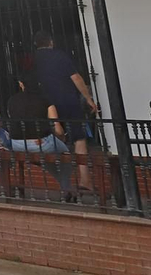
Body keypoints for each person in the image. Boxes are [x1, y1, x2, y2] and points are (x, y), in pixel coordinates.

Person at [31, 31, 100, 195]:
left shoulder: (34, 60)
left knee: (56, 139)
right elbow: (76, 78)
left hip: (46, 105)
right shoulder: (59, 55)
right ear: (51, 42)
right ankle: (84, 180)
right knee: (79, 138)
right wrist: (88, 98)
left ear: (36, 45)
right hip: (68, 101)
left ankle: (65, 183)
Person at [0, 73, 75, 198]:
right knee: (66, 155)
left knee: (49, 159)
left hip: (17, 144)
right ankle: (66, 188)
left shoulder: (12, 100)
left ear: (21, 84)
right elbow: (58, 129)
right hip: (41, 143)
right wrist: (61, 138)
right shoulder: (46, 99)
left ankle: (66, 188)